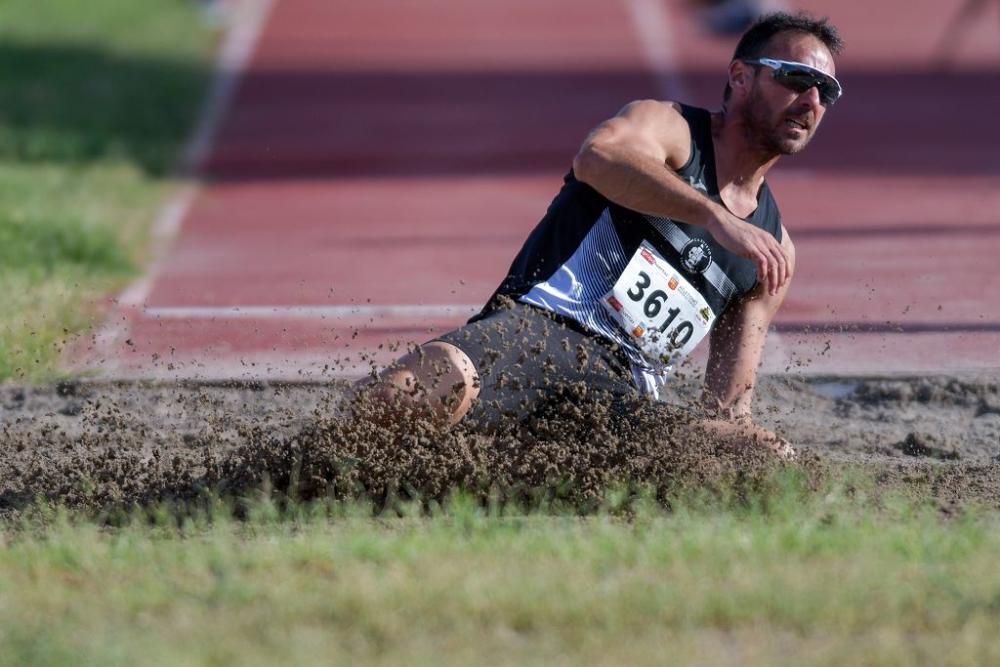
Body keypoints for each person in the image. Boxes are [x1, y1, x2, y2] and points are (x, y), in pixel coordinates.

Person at [361, 12, 844, 459]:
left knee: (758, 453)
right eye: (796, 78)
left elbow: (729, 409)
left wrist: (735, 437)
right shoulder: (671, 130)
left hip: (623, 400)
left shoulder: (774, 249)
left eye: (827, 91)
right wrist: (713, 216)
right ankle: (315, 466)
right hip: (539, 335)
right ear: (741, 77)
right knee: (442, 374)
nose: (812, 101)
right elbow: (597, 158)